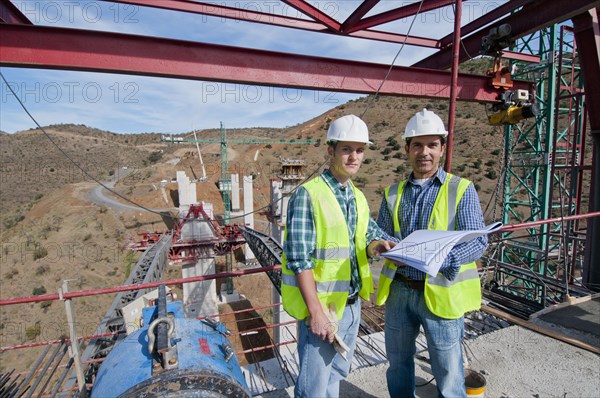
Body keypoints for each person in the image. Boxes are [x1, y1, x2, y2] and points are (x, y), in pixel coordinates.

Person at [375, 108, 488, 398]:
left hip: (441, 289)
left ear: (442, 149)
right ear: (407, 149)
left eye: (431, 145)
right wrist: (384, 244)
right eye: (417, 145)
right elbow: (382, 234)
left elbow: (478, 242)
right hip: (400, 291)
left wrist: (444, 259)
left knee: (448, 368)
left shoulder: (461, 189)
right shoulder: (392, 193)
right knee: (398, 364)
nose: (424, 152)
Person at [281, 114, 395, 398]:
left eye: (359, 150)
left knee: (336, 377)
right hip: (322, 310)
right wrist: (316, 312)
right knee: (313, 387)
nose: (354, 156)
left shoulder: (356, 196)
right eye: (346, 149)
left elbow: (368, 237)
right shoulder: (309, 195)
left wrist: (377, 246)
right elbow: (299, 259)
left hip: (351, 306)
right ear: (330, 150)